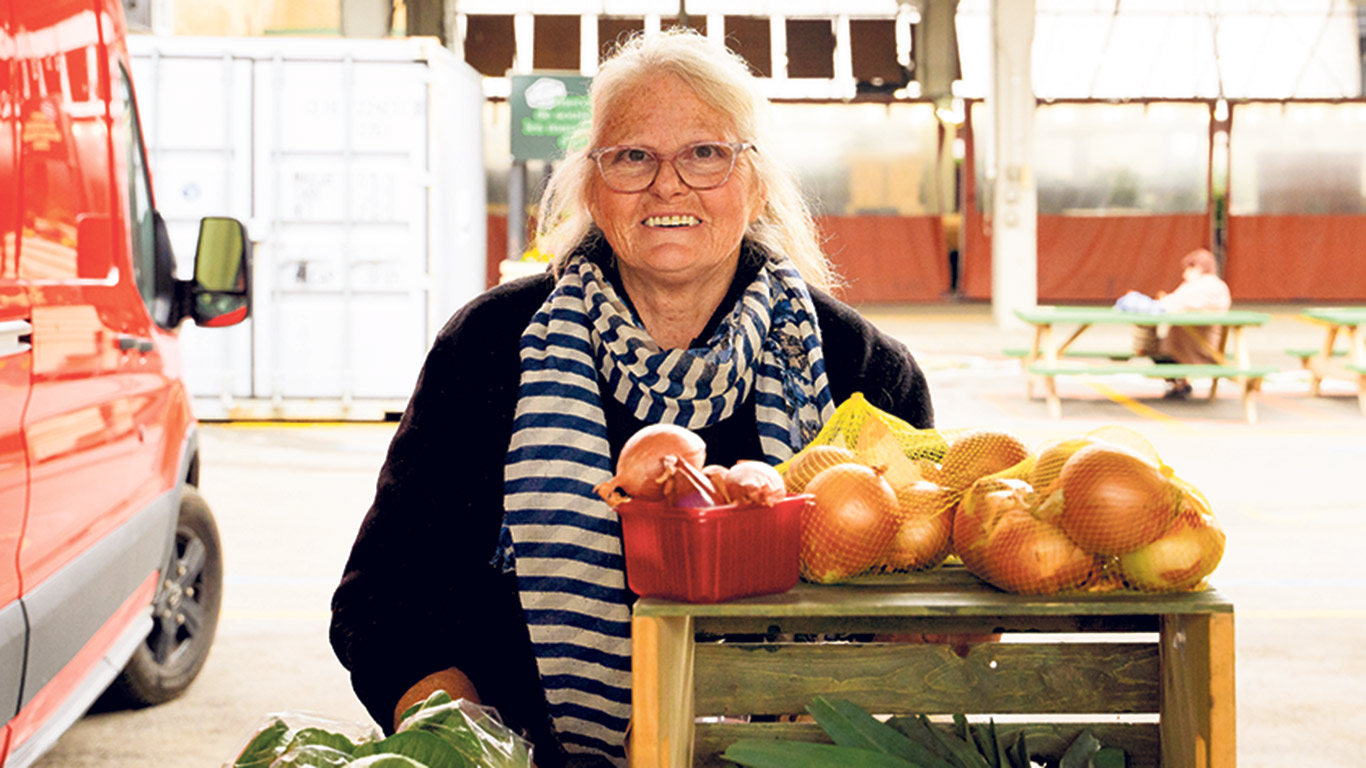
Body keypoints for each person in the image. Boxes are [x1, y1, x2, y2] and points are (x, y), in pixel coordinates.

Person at [328, 29, 934, 768]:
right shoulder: (489, 348)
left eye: (706, 153)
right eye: (632, 157)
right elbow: (387, 597)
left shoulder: (860, 370)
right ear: (591, 185)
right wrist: (471, 746)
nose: (668, 185)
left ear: (759, 183)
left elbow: (911, 609)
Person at [1129, 248, 1231, 399]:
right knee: (1155, 346)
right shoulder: (1216, 286)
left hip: (1196, 350)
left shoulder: (1200, 286)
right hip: (1204, 347)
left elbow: (1168, 305)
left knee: (1147, 347)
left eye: (1188, 269)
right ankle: (1180, 382)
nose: (1184, 274)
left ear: (1197, 268)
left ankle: (1179, 382)